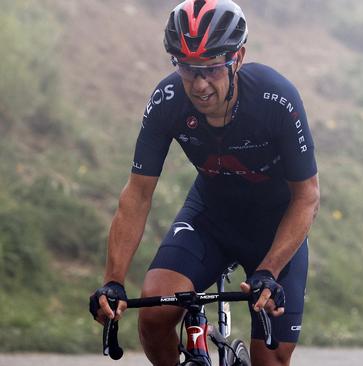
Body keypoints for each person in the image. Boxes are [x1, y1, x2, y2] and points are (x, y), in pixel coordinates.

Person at [88, 0, 319, 365]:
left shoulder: (276, 99)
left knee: (270, 357)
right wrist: (113, 281)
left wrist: (269, 270)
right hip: (209, 219)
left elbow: (306, 197)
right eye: (187, 68)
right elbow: (137, 194)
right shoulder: (166, 102)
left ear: (237, 58)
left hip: (273, 228)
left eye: (211, 69)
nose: (199, 84)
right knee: (153, 317)